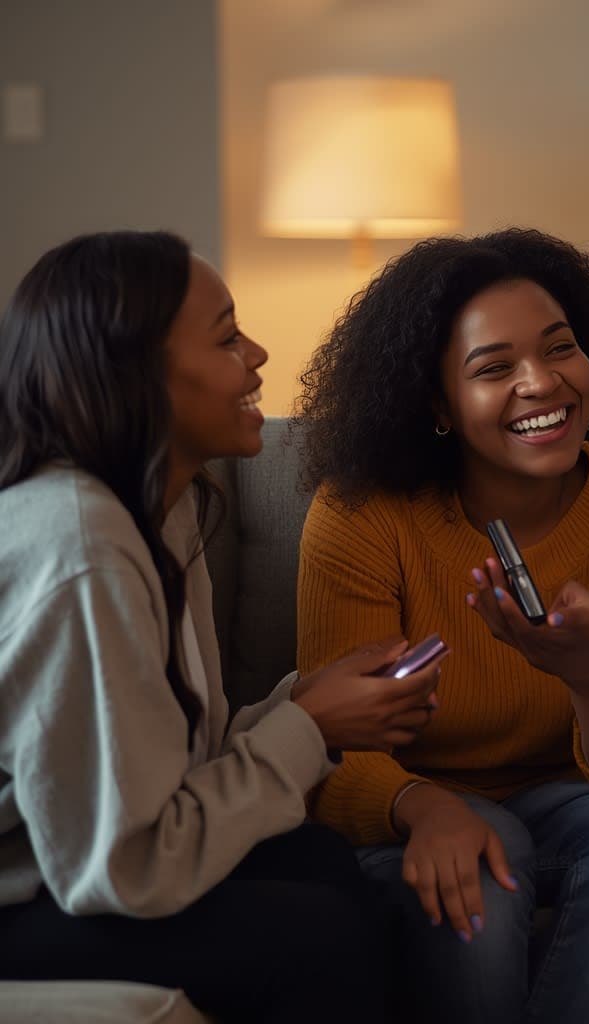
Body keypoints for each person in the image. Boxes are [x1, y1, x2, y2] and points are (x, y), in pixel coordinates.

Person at [0, 230, 442, 1023]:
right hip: (32, 891)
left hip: (67, 867)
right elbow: (124, 865)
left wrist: (306, 705)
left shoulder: (163, 509)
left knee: (318, 859)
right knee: (316, 936)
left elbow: (169, 768)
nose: (259, 353)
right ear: (135, 373)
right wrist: (307, 726)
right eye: (228, 335)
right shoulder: (81, 544)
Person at [295, 227, 589, 1024]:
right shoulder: (362, 514)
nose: (542, 384)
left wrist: (588, 672)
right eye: (494, 369)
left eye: (560, 349)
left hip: (572, 803)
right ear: (437, 402)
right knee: (486, 852)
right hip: (416, 806)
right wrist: (423, 806)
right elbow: (325, 749)